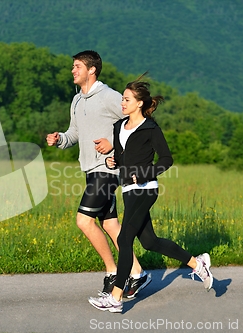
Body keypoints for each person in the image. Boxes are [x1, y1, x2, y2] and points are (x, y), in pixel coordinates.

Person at [88, 74, 213, 313]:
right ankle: (198, 263)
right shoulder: (119, 126)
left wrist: (147, 173)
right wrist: (116, 161)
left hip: (146, 190)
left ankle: (116, 297)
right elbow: (126, 156)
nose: (122, 103)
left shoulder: (150, 128)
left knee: (124, 239)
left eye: (126, 99)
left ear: (139, 103)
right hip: (128, 189)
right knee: (150, 241)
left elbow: (167, 159)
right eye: (122, 99)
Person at [46, 51, 151, 297]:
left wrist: (114, 146)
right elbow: (74, 133)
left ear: (92, 70)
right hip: (90, 169)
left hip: (108, 169)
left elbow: (138, 123)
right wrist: (60, 139)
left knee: (84, 221)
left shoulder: (109, 97)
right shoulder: (77, 100)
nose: (73, 70)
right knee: (110, 223)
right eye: (73, 66)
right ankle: (137, 273)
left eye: (77, 66)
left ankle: (113, 271)